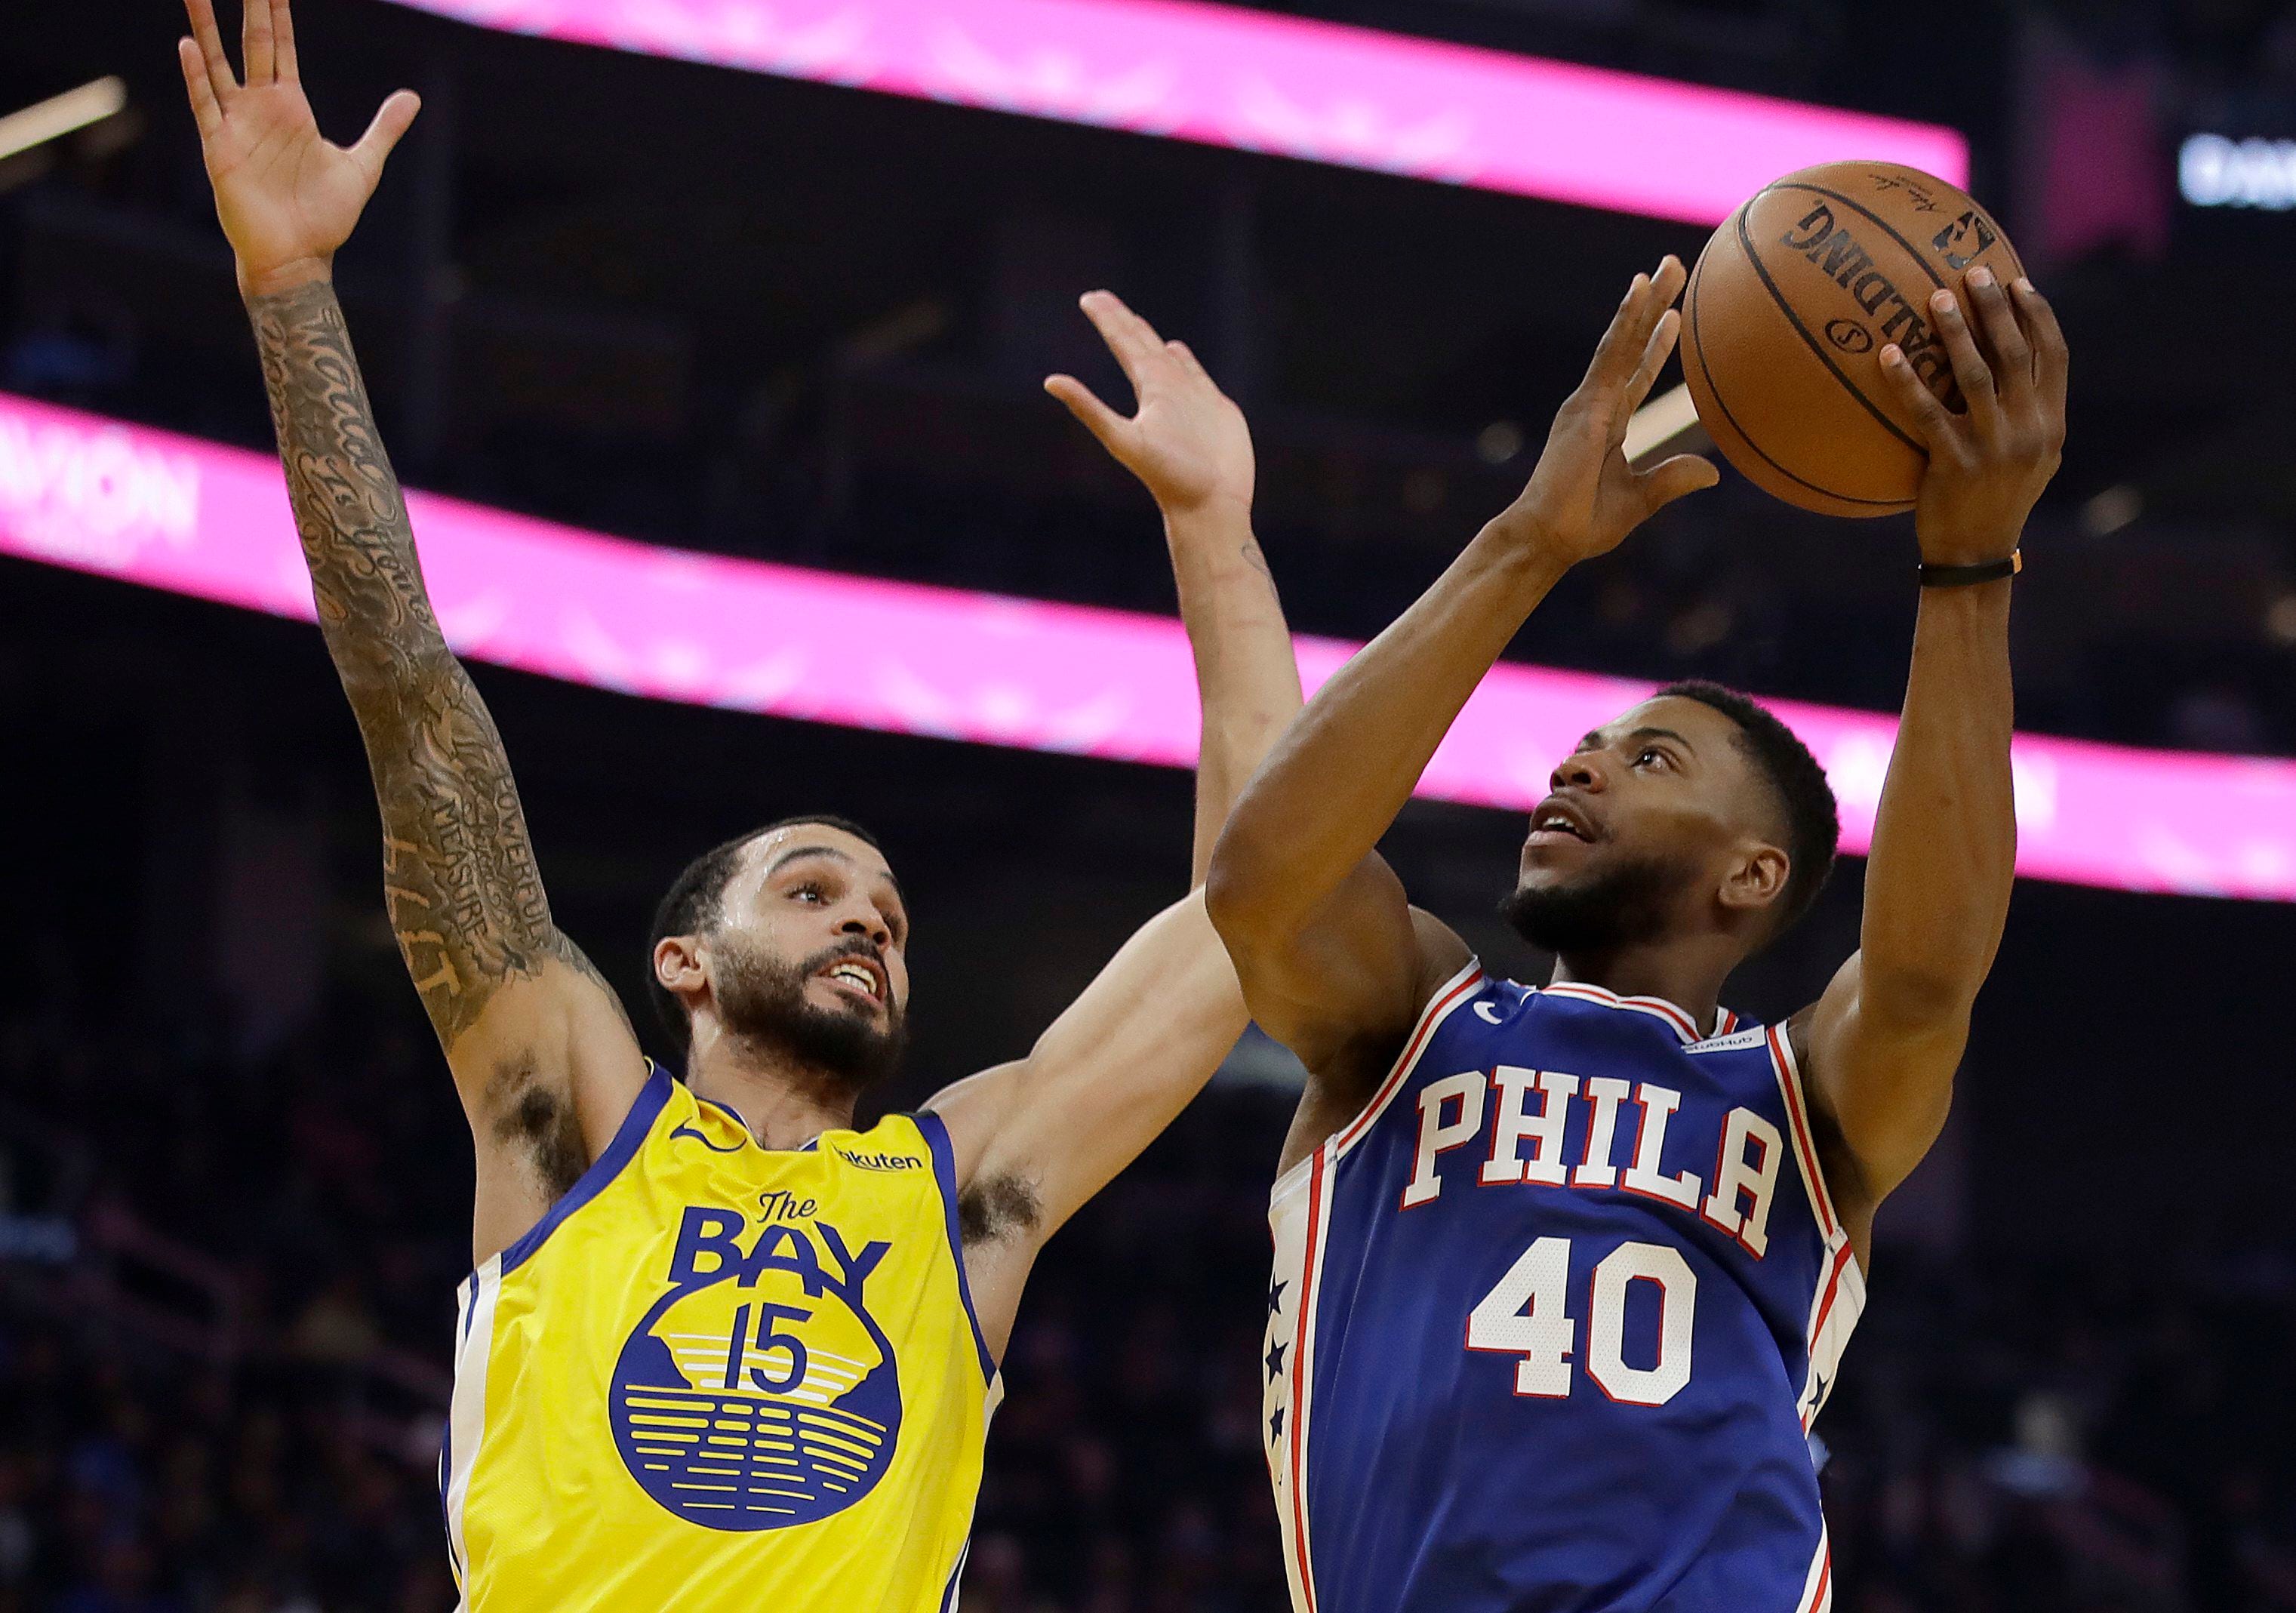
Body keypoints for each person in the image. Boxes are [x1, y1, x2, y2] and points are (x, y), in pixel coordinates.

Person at [174, 1, 1303, 1605]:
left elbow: (1257, 907)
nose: (868, 924)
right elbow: (416, 703)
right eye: (814, 889)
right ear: (682, 963)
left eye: (892, 918)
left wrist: (1215, 535)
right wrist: (291, 295)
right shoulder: (572, 1108)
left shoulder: (961, 1185)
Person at [1206, 255, 2066, 1611]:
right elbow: (1261, 884)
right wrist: (1526, 542)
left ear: (1752, 873)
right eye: (1585, 747)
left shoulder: (1802, 1103)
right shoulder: (1414, 1021)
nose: (1578, 768)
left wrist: (1968, 568)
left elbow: (1922, 972)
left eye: (1649, 758)